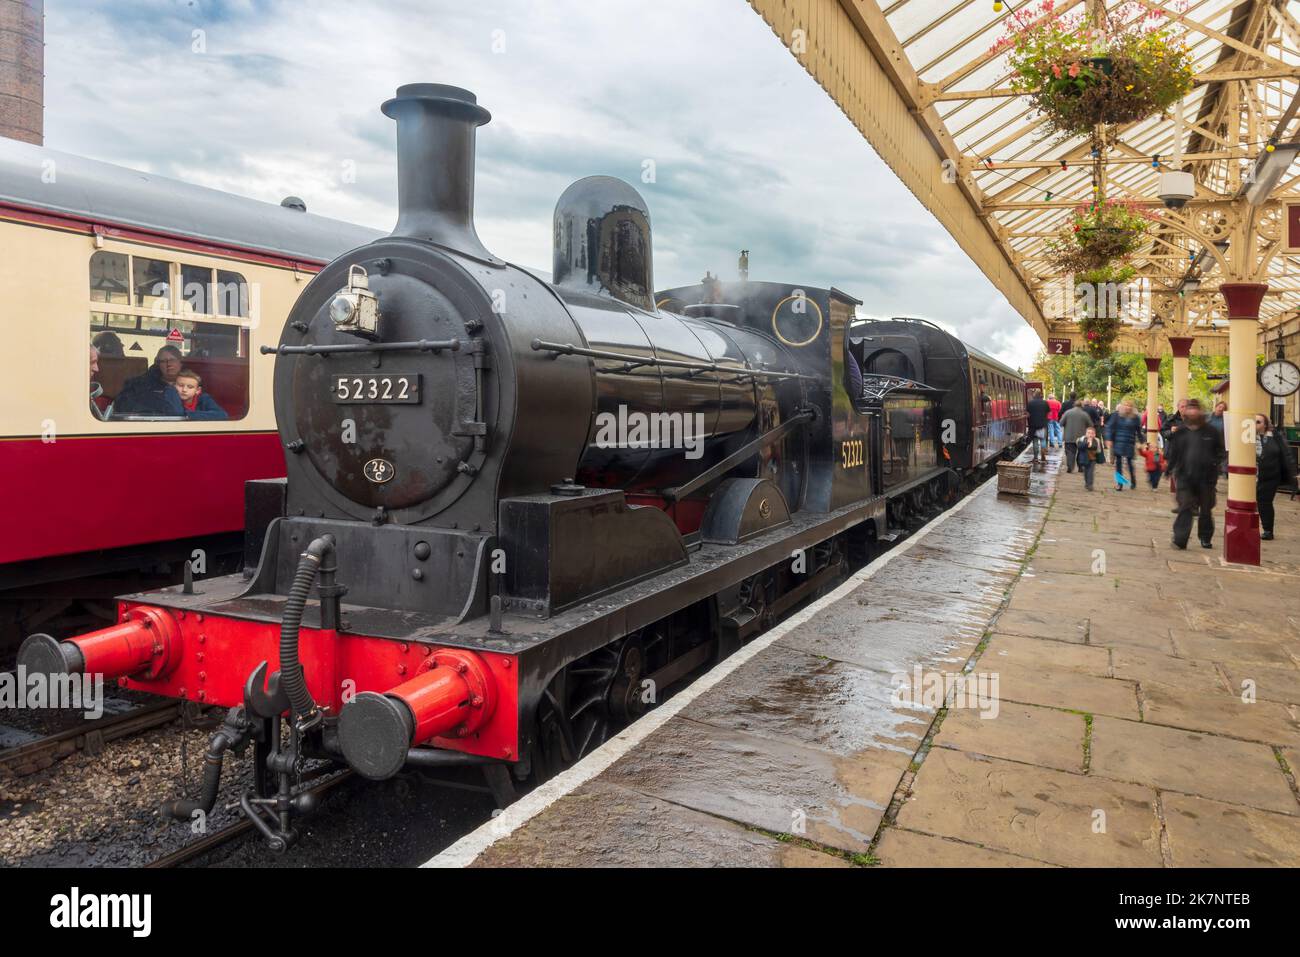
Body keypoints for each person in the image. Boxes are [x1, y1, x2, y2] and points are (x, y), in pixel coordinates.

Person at [1166, 399, 1224, 550]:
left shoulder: (1211, 431)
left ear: (1200, 411)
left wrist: (1214, 464)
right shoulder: (1181, 432)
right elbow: (1174, 452)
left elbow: (1221, 451)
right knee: (1185, 506)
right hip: (1185, 476)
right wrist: (1169, 468)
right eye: (1189, 409)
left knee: (1205, 509)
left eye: (1194, 409)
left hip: (1207, 478)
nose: (1192, 412)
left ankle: (1205, 537)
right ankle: (1180, 539)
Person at [1254, 414, 1296, 541]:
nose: (1255, 424)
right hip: (1254, 475)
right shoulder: (1248, 437)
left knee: (1264, 501)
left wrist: (1291, 472)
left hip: (1271, 475)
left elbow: (1285, 453)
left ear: (1265, 424)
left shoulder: (1274, 436)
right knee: (1258, 502)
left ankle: (1268, 530)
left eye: (1258, 422)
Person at [112, 345, 185, 417]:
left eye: (173, 360)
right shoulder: (138, 385)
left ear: (180, 363)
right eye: (164, 361)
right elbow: (123, 406)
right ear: (157, 364)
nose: (169, 364)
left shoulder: (192, 384)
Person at [1105, 399, 1140, 490]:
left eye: (1129, 406)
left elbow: (1139, 431)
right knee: (1118, 463)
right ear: (1123, 406)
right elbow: (1110, 427)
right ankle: (1120, 484)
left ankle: (1133, 480)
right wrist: (1108, 438)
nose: (1128, 407)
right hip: (1118, 442)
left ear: (1132, 407)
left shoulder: (1135, 417)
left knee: (1129, 463)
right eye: (1126, 405)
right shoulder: (1116, 415)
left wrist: (1142, 442)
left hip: (1129, 443)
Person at [1060, 400, 1093, 475]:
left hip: (1069, 437)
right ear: (1082, 406)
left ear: (1074, 405)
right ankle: (1080, 467)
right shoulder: (1084, 414)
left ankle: (1070, 466)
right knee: (1081, 452)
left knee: (1070, 452)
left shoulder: (1067, 412)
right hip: (1081, 438)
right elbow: (1090, 425)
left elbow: (1061, 423)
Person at [1076, 426, 1105, 491]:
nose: (1090, 435)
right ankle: (1087, 483)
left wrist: (1101, 459)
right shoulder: (1082, 439)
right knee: (1086, 472)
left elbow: (1099, 450)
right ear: (1086, 433)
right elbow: (1080, 447)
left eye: (1092, 433)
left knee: (1090, 472)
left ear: (1094, 434)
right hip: (1084, 459)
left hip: (1093, 459)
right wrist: (1086, 444)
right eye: (1088, 433)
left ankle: (1090, 484)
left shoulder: (1096, 440)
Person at [1026, 389, 1050, 463]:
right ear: (1040, 395)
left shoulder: (1030, 403)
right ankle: (1043, 455)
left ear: (1034, 395)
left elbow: (1028, 413)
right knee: (1042, 440)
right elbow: (1048, 412)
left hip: (1033, 425)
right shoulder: (1045, 403)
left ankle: (1036, 458)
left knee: (1035, 441)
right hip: (1042, 424)